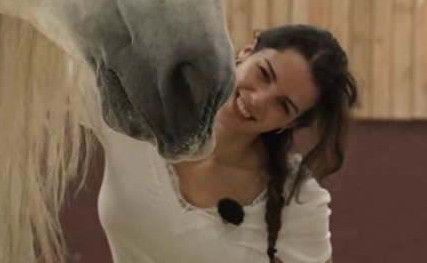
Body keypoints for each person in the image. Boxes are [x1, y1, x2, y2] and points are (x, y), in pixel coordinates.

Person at [79, 24, 358, 263]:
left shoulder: (297, 198)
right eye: (264, 74)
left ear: (290, 124)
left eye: (283, 105)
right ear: (247, 51)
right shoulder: (141, 111)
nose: (258, 100)